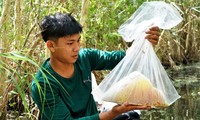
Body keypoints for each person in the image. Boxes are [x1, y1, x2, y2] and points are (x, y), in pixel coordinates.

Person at [31, 12, 160, 120]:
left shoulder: (84, 58)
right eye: (70, 43)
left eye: (78, 41)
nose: (77, 48)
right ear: (51, 46)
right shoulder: (43, 84)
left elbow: (121, 58)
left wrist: (144, 42)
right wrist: (113, 112)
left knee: (131, 117)